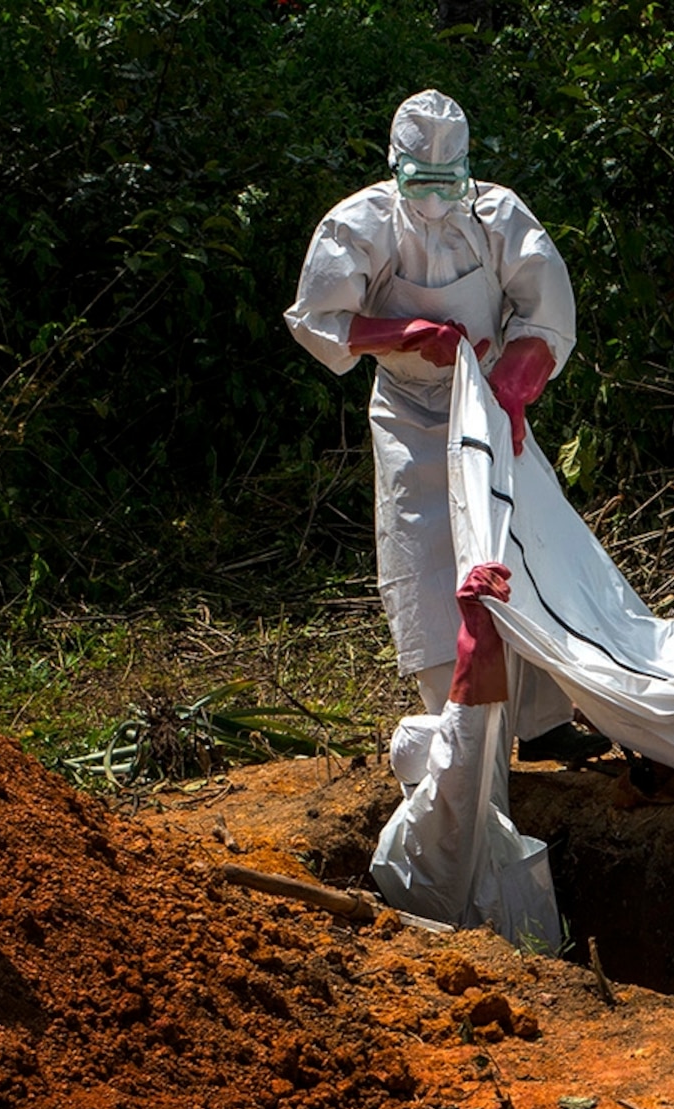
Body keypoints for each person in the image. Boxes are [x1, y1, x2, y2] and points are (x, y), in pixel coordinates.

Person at [285, 90, 579, 742]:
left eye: (451, 181)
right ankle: (459, 727)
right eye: (422, 181)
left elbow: (545, 310)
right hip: (408, 412)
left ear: (468, 168)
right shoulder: (359, 226)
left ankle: (543, 721)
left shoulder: (498, 215)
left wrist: (515, 379)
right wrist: (406, 334)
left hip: (490, 408)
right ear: (396, 168)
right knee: (425, 558)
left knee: (521, 546)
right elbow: (319, 318)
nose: (438, 198)